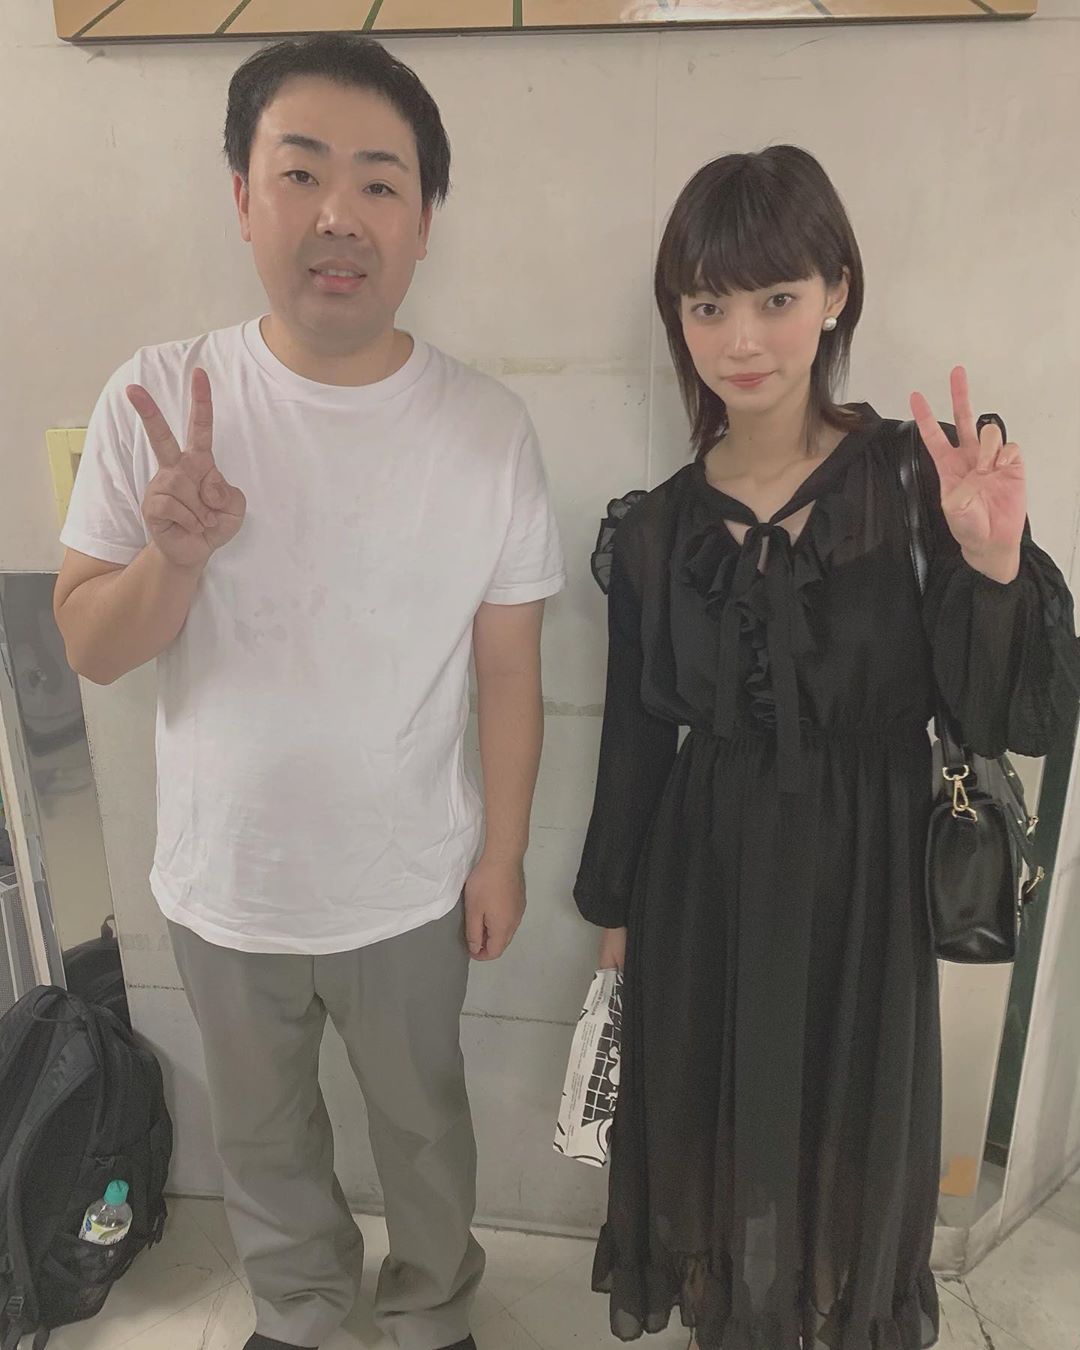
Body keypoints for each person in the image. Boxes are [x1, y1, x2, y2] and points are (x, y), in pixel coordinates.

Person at [54, 34, 565, 1350]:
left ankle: (434, 1309)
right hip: (228, 880)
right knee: (264, 1130)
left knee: (424, 1122)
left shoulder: (487, 428)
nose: (340, 214)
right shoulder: (159, 397)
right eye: (301, 173)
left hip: (411, 880)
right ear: (243, 195)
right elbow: (93, 647)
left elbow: (511, 667)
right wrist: (173, 557)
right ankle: (301, 1311)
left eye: (380, 182)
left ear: (424, 220)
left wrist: (502, 854)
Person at [574, 145, 1079, 1349]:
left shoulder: (911, 481)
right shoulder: (658, 529)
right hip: (707, 867)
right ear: (678, 315)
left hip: (866, 864)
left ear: (837, 292)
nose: (742, 337)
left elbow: (1014, 716)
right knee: (712, 1113)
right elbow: (637, 734)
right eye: (708, 305)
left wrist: (994, 563)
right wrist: (616, 909)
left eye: (776, 296)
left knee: (853, 1126)